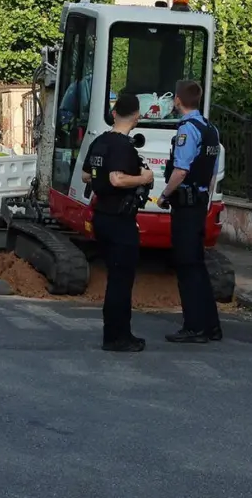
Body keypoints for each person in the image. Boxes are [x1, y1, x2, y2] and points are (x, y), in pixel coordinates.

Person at [81, 94, 154, 352]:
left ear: (113, 113)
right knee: (121, 280)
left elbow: (86, 174)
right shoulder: (123, 147)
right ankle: (117, 336)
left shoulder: (100, 141)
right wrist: (144, 178)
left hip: (102, 215)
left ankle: (116, 333)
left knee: (115, 277)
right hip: (119, 218)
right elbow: (117, 179)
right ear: (136, 116)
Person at [157, 80, 221, 344]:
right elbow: (213, 171)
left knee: (186, 266)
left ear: (178, 101)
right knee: (198, 265)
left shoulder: (187, 129)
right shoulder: (210, 128)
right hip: (199, 201)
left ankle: (194, 326)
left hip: (185, 204)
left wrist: (164, 195)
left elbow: (181, 171)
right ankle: (211, 326)